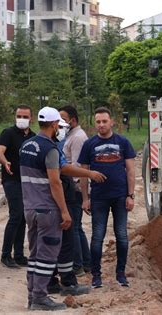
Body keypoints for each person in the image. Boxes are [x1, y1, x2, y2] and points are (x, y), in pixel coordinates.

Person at [20, 106, 72, 311]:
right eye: (58, 124)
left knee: (34, 254)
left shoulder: (26, 145)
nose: (59, 128)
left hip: (30, 209)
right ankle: (40, 297)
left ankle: (32, 296)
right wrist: (65, 211)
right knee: (47, 255)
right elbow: (55, 182)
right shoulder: (49, 148)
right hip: (47, 210)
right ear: (53, 124)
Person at [47, 118, 106, 296]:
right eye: (61, 128)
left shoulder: (45, 145)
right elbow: (61, 173)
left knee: (60, 239)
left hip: (54, 198)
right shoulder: (51, 148)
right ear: (53, 126)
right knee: (65, 240)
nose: (63, 131)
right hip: (61, 196)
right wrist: (89, 174)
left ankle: (57, 279)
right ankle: (67, 282)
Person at [78, 107, 136, 289]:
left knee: (122, 236)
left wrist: (130, 195)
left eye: (104, 121)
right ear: (95, 123)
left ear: (111, 122)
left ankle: (121, 273)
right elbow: (84, 174)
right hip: (99, 198)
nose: (101, 125)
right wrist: (85, 198)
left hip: (120, 196)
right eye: (98, 122)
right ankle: (96, 275)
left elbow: (131, 171)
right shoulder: (89, 145)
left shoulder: (123, 142)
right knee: (97, 236)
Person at [0, 105, 36, 268]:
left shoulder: (33, 137)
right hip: (12, 180)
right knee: (16, 214)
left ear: (31, 118)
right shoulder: (8, 133)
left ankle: (19, 254)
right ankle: (6, 255)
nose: (21, 119)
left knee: (23, 217)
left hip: (27, 182)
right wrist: (4, 161)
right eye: (19, 116)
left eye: (24, 116)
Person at [59, 105, 92, 276]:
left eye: (63, 119)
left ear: (72, 119)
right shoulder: (70, 136)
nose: (60, 122)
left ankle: (78, 264)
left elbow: (79, 166)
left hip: (75, 188)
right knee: (77, 227)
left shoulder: (78, 137)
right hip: (72, 186)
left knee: (74, 227)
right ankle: (87, 263)